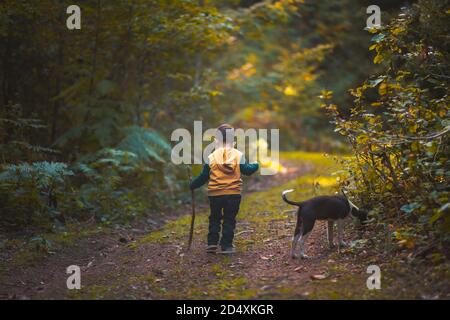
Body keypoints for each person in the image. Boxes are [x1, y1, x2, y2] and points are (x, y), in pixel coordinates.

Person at [189, 124, 259, 254]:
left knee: (214, 218)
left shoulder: (212, 157)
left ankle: (212, 243)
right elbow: (247, 170)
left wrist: (193, 184)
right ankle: (226, 246)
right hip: (233, 194)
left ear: (216, 141)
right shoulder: (238, 155)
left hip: (215, 194)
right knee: (229, 219)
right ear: (234, 141)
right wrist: (256, 164)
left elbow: (204, 176)